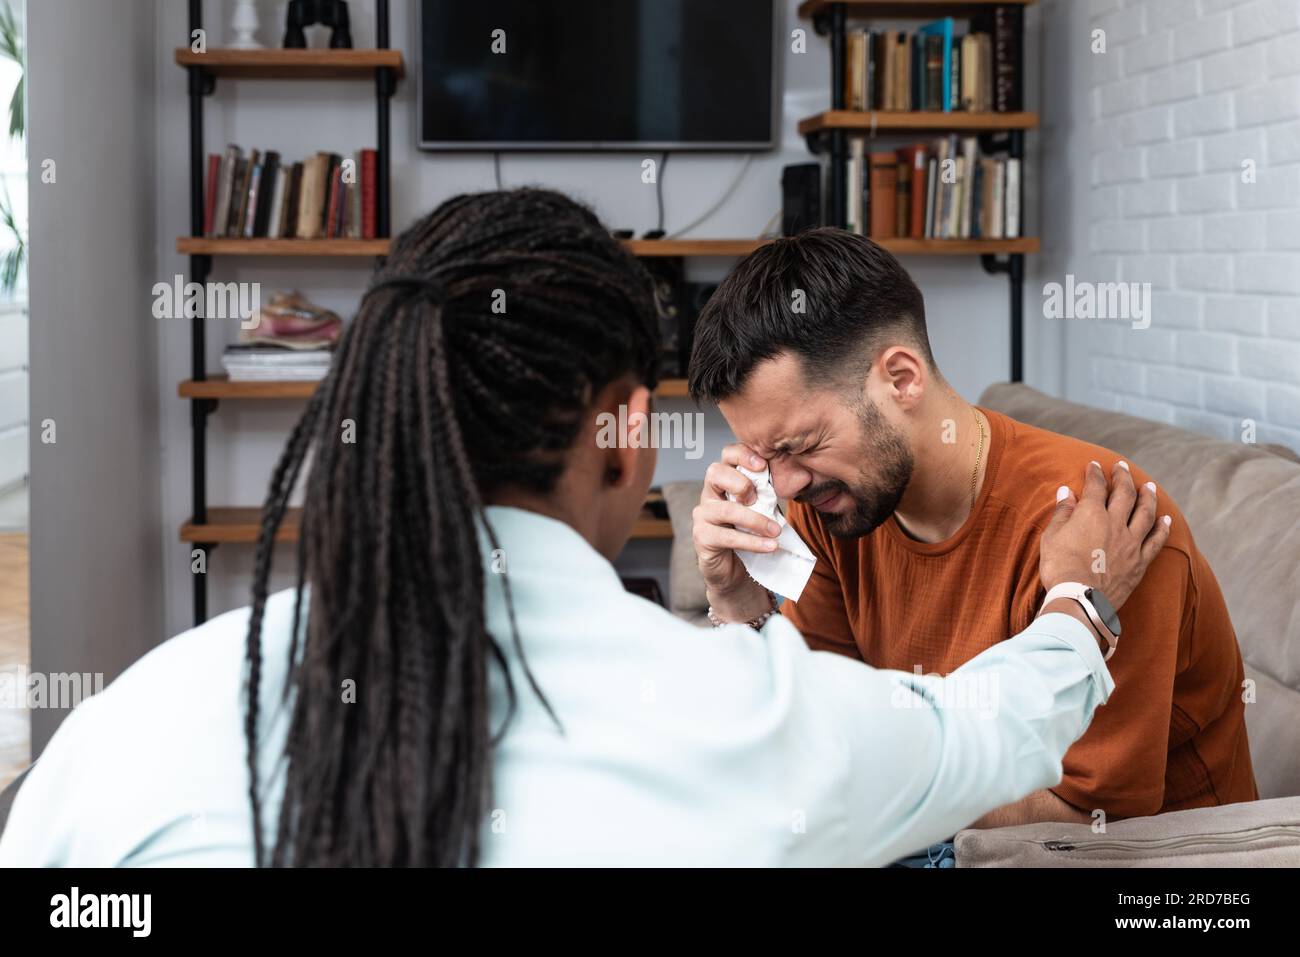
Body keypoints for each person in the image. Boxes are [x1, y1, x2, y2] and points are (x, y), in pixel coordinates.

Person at [0, 191, 1170, 868]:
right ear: (622, 435)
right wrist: (1076, 604)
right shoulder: (741, 726)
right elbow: (970, 732)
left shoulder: (129, 723)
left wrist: (740, 610)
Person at [688, 228, 1257, 829]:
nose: (787, 483)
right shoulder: (837, 504)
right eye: (760, 454)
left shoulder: (1105, 534)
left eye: (800, 445)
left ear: (902, 379)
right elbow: (818, 724)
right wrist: (736, 598)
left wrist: (848, 765)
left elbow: (1080, 823)